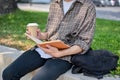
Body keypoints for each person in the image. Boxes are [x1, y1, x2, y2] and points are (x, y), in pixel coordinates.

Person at [2, 0, 96, 80]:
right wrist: (40, 36)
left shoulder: (87, 6)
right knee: (8, 74)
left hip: (66, 55)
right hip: (46, 48)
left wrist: (59, 53)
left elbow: (84, 42)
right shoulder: (55, 3)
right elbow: (49, 33)